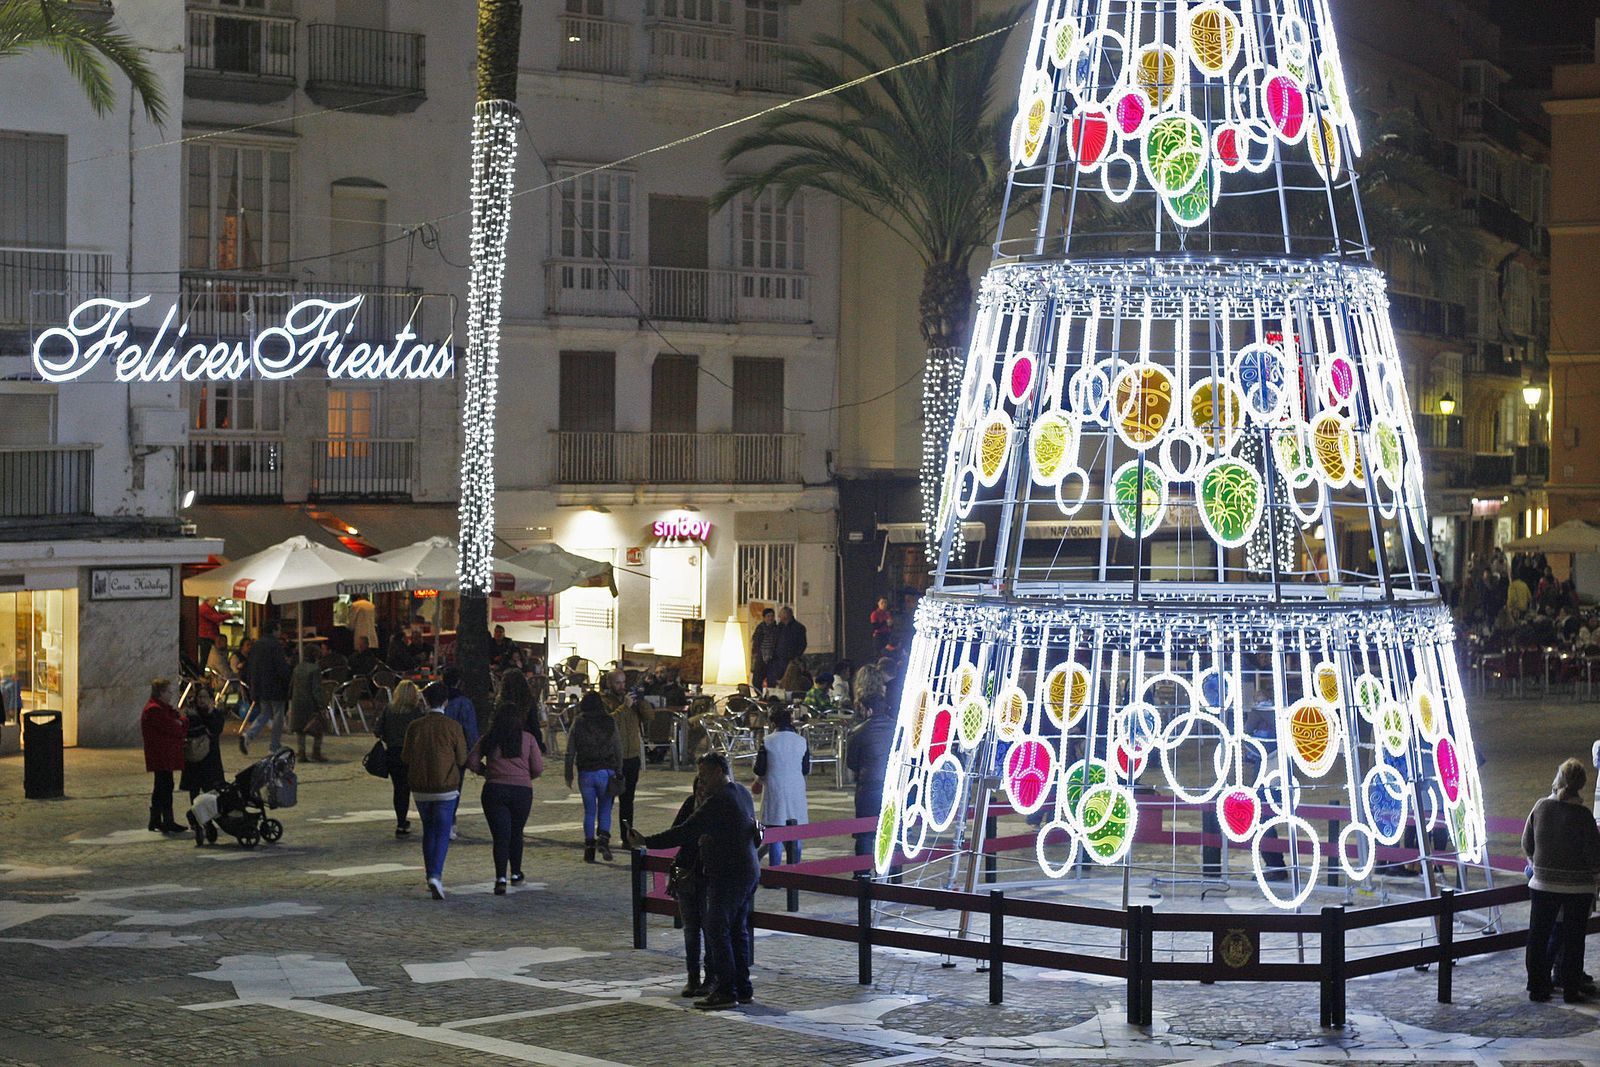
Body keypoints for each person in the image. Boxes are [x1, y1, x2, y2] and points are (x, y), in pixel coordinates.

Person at [629, 754, 761, 1011]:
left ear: (719, 772)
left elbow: (685, 831)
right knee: (736, 930)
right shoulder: (741, 792)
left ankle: (725, 991)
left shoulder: (720, 801)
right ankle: (743, 988)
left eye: (705, 775)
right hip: (746, 871)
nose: (702, 781)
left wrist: (646, 841)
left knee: (716, 928)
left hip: (730, 875)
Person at [1522, 757, 1600, 1003]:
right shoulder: (1584, 816)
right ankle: (1570, 988)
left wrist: (1540, 863)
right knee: (1574, 940)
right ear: (1581, 784)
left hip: (1544, 883)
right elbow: (1594, 855)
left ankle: (1537, 986)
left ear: (1559, 779)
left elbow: (1527, 843)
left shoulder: (1541, 807)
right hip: (1578, 888)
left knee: (1538, 935)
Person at [469, 698, 544, 894]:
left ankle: (500, 877)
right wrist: (525, 776)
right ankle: (516, 873)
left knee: (500, 836)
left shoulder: (489, 738)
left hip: (495, 789)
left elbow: (473, 761)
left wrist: (486, 772)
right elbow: (537, 767)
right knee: (516, 832)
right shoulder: (528, 739)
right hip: (522, 792)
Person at [402, 681, 469, 900]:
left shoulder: (415, 727)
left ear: (425, 701)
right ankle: (436, 874)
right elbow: (462, 758)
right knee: (442, 830)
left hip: (420, 786)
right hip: (446, 785)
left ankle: (430, 872)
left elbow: (405, 757)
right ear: (446, 702)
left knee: (428, 829)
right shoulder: (453, 727)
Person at [666, 775, 713, 997]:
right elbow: (677, 832)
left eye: (705, 785)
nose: (701, 791)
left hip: (708, 877)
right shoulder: (689, 804)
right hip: (687, 876)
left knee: (710, 928)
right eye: (698, 787)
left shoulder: (720, 807)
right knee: (691, 930)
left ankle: (711, 978)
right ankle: (692, 978)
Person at [564, 691, 622, 863]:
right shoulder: (609, 721)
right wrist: (619, 770)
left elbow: (570, 751)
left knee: (589, 811)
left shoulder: (578, 722)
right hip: (606, 771)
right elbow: (617, 747)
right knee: (605, 809)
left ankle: (589, 848)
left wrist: (568, 774)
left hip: (586, 772)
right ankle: (603, 839)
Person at [600, 669, 654, 839]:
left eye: (623, 682)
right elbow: (607, 723)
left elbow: (649, 717)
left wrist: (641, 701)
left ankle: (627, 837)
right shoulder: (604, 701)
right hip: (614, 758)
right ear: (609, 683)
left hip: (632, 757)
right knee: (606, 801)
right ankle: (603, 835)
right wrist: (624, 707)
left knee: (627, 801)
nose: (621, 686)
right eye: (618, 682)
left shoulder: (631, 700)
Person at [847, 667, 894, 857]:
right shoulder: (895, 727)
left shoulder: (859, 731)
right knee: (888, 830)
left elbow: (852, 763)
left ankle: (862, 873)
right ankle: (889, 872)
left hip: (868, 785)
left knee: (865, 832)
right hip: (891, 784)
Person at [755, 704, 810, 867]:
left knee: (775, 833)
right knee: (795, 833)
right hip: (796, 788)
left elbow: (760, 768)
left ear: (773, 723)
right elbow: (806, 768)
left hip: (774, 787)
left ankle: (775, 873)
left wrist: (758, 781)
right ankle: (795, 868)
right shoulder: (802, 741)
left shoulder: (767, 741)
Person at [375, 679, 427, 838]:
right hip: (413, 754)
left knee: (400, 789)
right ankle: (427, 820)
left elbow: (378, 731)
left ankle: (401, 821)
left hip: (393, 753)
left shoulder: (388, 710)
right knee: (419, 788)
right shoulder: (417, 712)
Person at [141, 679, 187, 834]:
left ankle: (156, 820)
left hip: (162, 754)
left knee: (161, 786)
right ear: (161, 693)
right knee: (165, 786)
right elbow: (176, 727)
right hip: (161, 755)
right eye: (168, 691)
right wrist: (181, 720)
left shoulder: (161, 708)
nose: (171, 694)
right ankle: (167, 820)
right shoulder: (155, 710)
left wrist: (180, 721)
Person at [240, 620, 291, 755]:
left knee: (265, 713)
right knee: (278, 715)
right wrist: (287, 679)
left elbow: (251, 667)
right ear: (274, 630)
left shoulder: (256, 645)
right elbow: (281, 667)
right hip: (276, 686)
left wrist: (253, 686)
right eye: (278, 629)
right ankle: (274, 746)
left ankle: (248, 735)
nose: (280, 632)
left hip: (261, 686)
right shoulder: (275, 645)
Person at [179, 687, 227, 803]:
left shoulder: (216, 714)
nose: (201, 700)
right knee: (194, 790)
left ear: (211, 699)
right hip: (195, 757)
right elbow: (190, 731)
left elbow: (216, 730)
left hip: (210, 758)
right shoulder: (191, 713)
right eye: (199, 697)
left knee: (212, 790)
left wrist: (210, 714)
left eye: (205, 697)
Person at [288, 644, 327, 763]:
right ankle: (316, 752)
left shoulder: (297, 668)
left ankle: (302, 753)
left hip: (297, 702)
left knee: (300, 730)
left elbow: (291, 685)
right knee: (318, 729)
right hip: (310, 704)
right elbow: (316, 690)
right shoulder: (315, 669)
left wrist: (290, 698)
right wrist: (322, 704)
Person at [766, 606, 808, 688]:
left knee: (789, 682)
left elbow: (802, 644)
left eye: (780, 614)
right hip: (777, 660)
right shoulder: (779, 627)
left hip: (790, 660)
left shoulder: (798, 628)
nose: (778, 616)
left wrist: (796, 657)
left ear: (786, 615)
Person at [440, 667, 481, 751]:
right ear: (459, 682)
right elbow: (470, 732)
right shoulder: (464, 703)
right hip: (458, 750)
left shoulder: (437, 699)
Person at [197, 599, 228, 671]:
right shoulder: (204, 608)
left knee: (207, 657)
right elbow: (216, 618)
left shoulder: (210, 608)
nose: (217, 601)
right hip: (206, 637)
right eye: (215, 599)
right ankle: (201, 674)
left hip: (210, 636)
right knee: (205, 657)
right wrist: (228, 615)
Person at [749, 608, 777, 689]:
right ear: (764, 618)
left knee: (771, 680)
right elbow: (756, 644)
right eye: (768, 616)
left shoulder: (777, 629)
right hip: (760, 657)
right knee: (757, 679)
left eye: (772, 616)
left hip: (773, 658)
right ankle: (760, 693)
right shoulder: (760, 629)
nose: (770, 618)